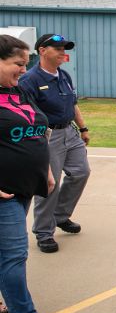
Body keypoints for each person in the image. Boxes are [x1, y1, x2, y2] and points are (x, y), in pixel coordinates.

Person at [0, 34, 62, 313]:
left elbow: (38, 134)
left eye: (27, 65)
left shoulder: (18, 93)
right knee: (14, 254)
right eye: (18, 64)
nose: (24, 71)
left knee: (4, 252)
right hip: (4, 193)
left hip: (24, 187)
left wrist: (46, 170)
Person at [19, 33, 90, 253]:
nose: (63, 52)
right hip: (47, 136)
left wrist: (84, 128)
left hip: (70, 131)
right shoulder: (29, 80)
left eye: (64, 49)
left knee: (81, 172)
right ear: (42, 51)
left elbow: (73, 103)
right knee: (49, 184)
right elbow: (26, 113)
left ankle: (60, 216)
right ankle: (43, 232)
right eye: (58, 48)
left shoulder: (64, 76)